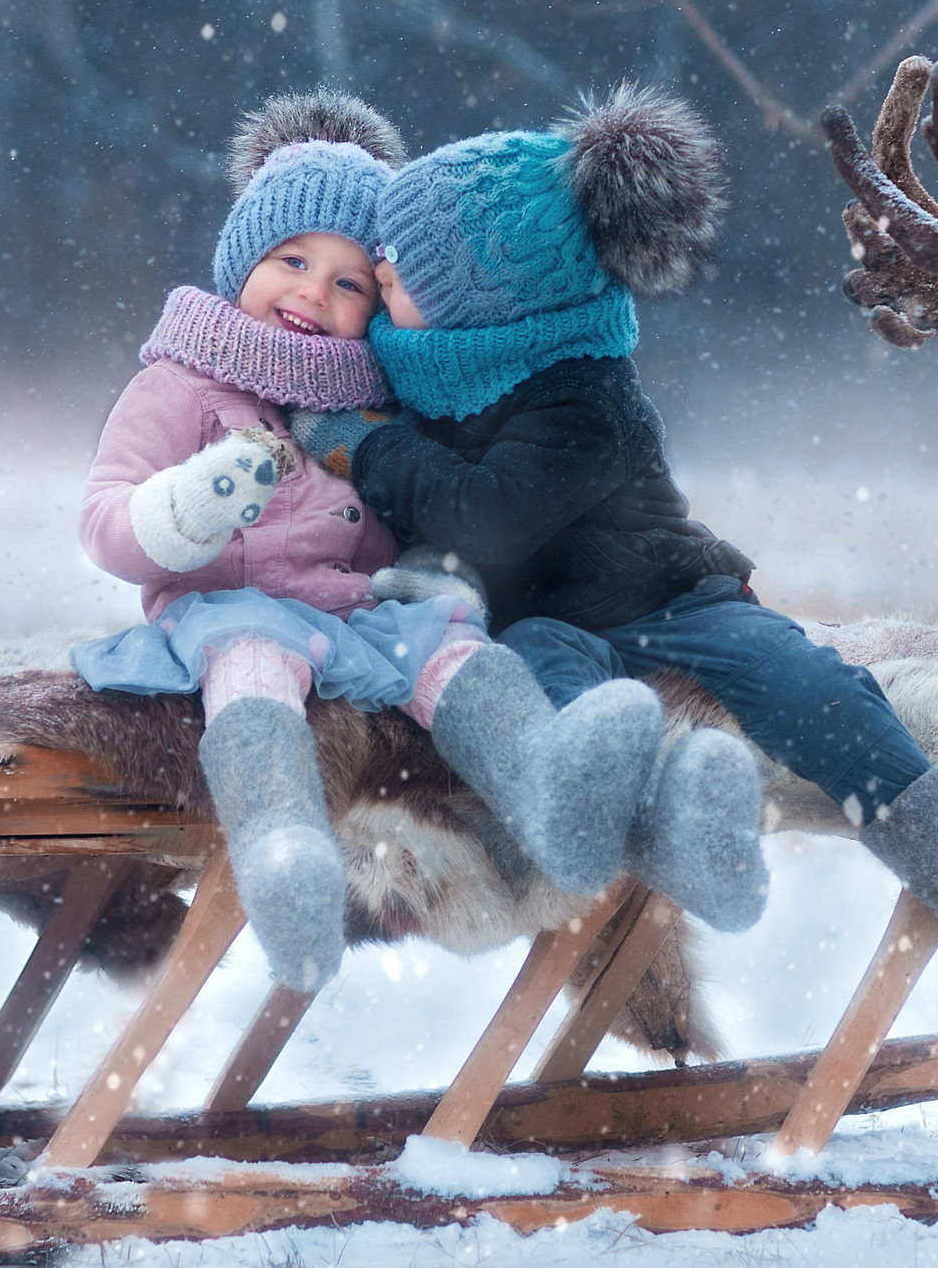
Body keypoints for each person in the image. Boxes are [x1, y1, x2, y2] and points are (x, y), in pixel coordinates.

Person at [287, 85, 938, 1007]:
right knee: (584, 732)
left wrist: (368, 446)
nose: (381, 268)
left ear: (480, 301)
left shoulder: (582, 392)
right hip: (543, 627)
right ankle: (686, 835)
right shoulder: (413, 372)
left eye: (406, 262)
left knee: (820, 692)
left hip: (671, 598)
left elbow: (486, 516)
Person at [72, 90, 751, 996]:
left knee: (450, 642)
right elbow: (106, 521)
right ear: (242, 260)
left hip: (367, 613)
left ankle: (550, 783)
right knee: (253, 662)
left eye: (350, 281)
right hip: (235, 610)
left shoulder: (381, 400)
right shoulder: (179, 385)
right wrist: (189, 508)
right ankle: (284, 854)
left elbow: (440, 508)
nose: (315, 291)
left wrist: (442, 573)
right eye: (293, 260)